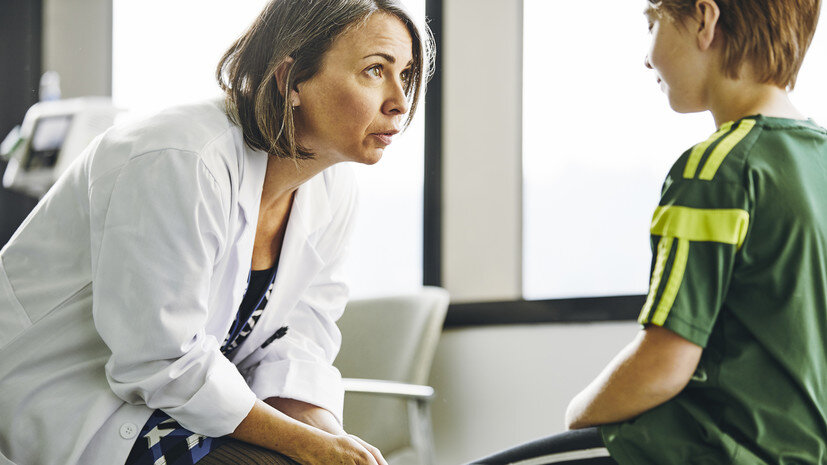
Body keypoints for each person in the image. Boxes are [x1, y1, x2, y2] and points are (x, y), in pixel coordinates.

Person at [0, 0, 434, 464]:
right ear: (290, 80)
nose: (401, 101)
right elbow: (159, 361)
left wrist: (337, 444)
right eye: (374, 71)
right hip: (58, 397)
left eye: (405, 74)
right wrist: (304, 444)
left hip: (169, 403)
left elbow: (299, 343)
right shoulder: (181, 158)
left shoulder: (331, 184)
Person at [469, 0, 826, 464]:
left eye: (652, 23)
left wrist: (579, 410)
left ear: (705, 19)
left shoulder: (717, 170)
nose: (646, 55)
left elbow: (663, 363)